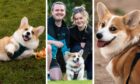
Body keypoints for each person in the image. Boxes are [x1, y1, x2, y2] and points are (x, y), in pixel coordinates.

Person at [47, 1, 69, 80]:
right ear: (52, 12)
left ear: (65, 13)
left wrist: (69, 65)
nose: (59, 12)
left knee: (57, 78)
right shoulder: (46, 23)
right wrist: (53, 42)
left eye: (62, 10)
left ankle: (50, 73)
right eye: (57, 10)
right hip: (43, 54)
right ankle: (46, 73)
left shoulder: (65, 29)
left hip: (53, 58)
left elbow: (65, 50)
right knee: (48, 47)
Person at [69, 5, 92, 79]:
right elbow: (69, 45)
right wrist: (80, 43)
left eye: (81, 18)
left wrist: (81, 62)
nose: (79, 21)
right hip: (75, 57)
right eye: (76, 19)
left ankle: (85, 71)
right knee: (77, 47)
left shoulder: (90, 30)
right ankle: (75, 72)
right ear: (74, 20)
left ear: (85, 18)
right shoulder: (71, 30)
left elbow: (88, 48)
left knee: (91, 76)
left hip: (88, 57)